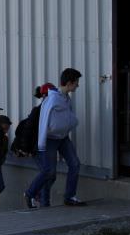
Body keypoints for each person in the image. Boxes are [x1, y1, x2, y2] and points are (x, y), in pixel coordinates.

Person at [26, 68, 88, 207]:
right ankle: (31, 194)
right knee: (49, 171)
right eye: (76, 82)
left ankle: (70, 196)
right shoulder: (53, 98)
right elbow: (44, 118)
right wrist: (41, 142)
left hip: (63, 138)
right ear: (69, 83)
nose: (78, 85)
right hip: (50, 139)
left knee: (74, 164)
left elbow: (66, 117)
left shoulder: (66, 98)